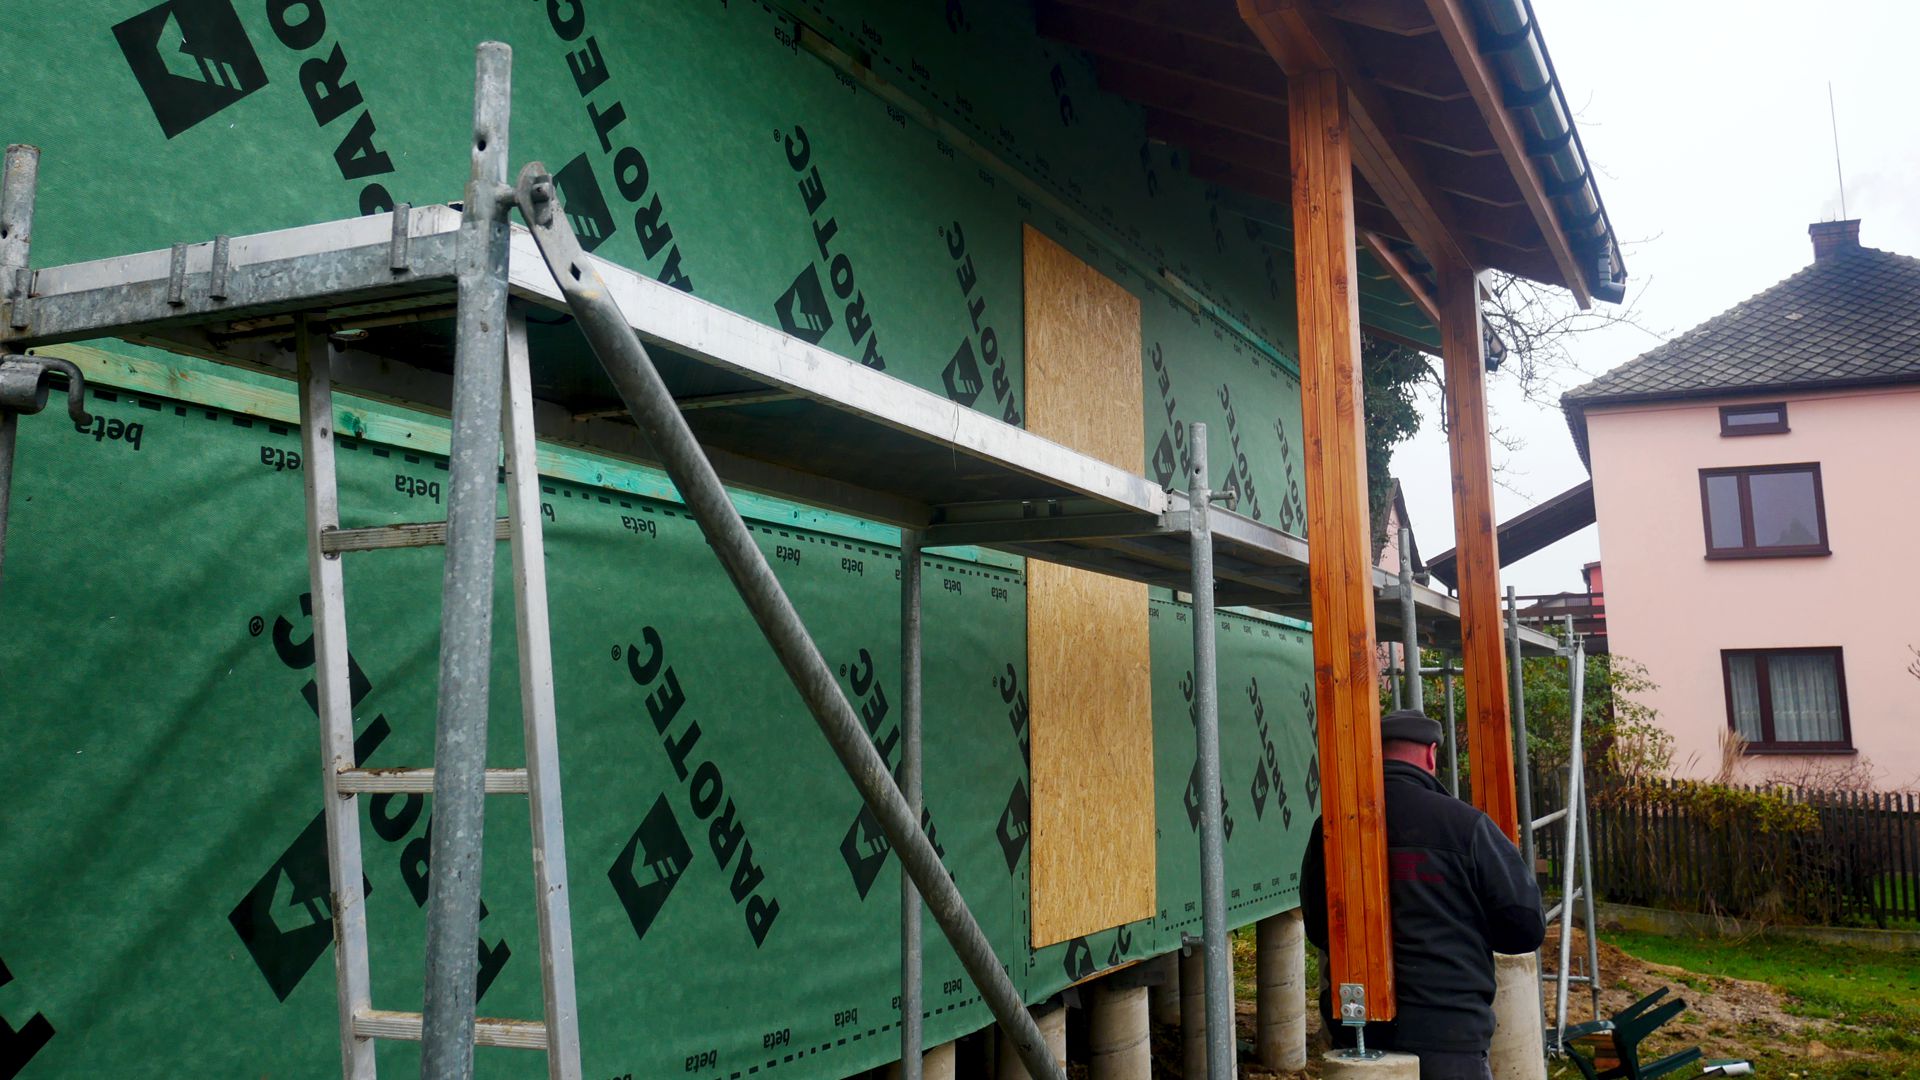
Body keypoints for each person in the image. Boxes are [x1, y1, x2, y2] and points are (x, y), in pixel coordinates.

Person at [1300, 708, 1545, 1080]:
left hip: (1361, 1036)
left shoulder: (1332, 828)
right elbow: (1525, 928)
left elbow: (1319, 927)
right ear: (1431, 755)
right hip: (1450, 1035)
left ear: (1374, 755)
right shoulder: (1465, 825)